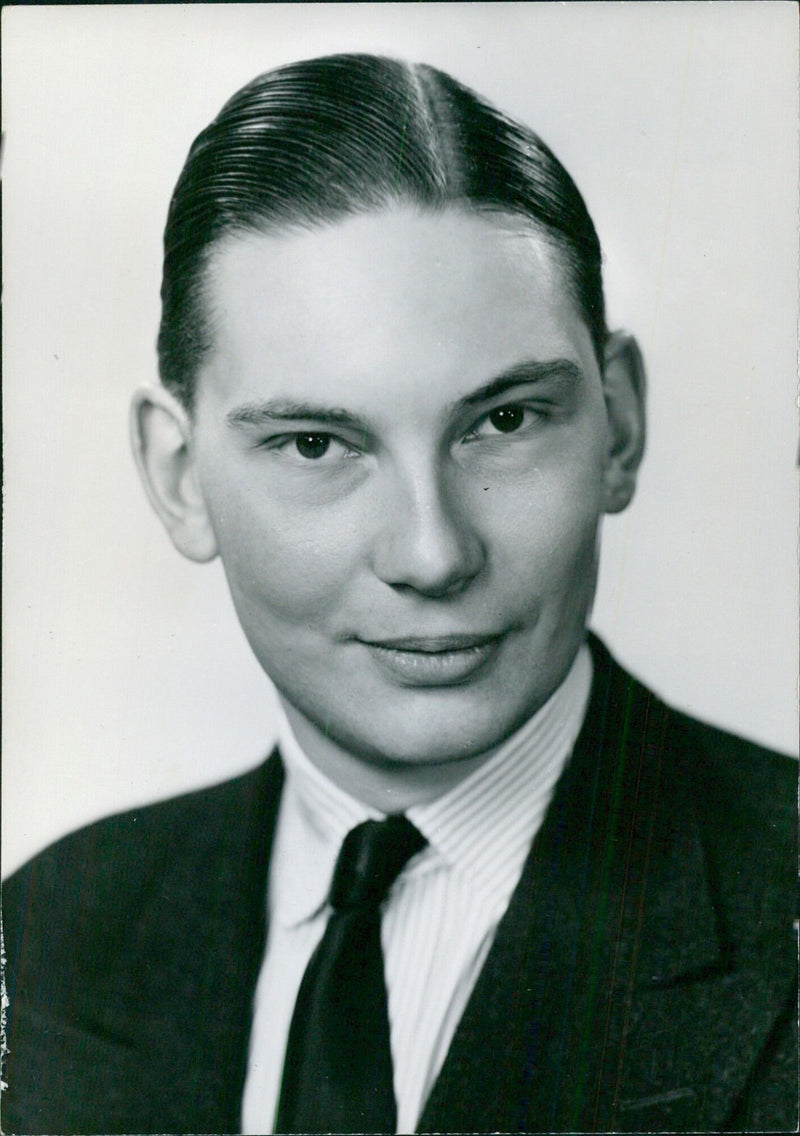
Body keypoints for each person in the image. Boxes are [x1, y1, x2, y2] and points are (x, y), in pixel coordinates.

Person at [2, 53, 795, 1135]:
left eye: (502, 422)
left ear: (617, 420)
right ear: (179, 478)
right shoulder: (46, 935)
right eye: (317, 442)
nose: (431, 552)